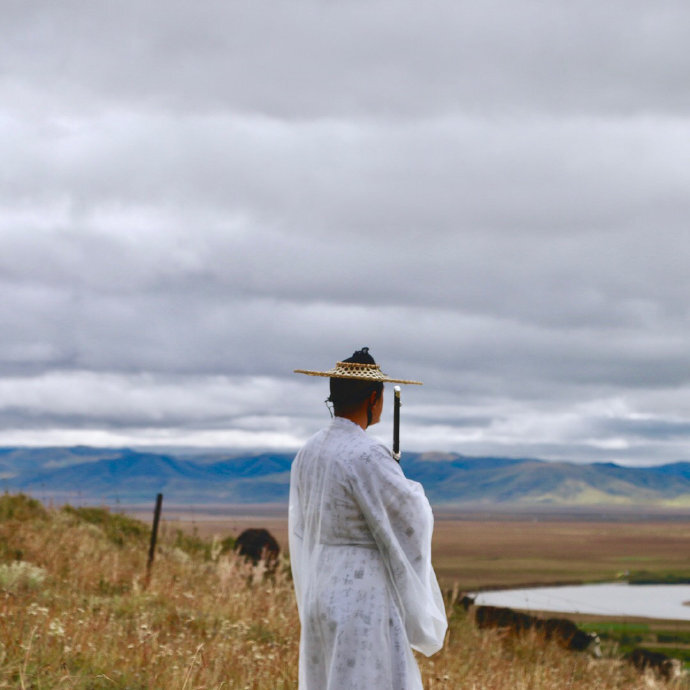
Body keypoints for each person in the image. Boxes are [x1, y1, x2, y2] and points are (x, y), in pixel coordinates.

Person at [290, 347, 447, 689]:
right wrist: (410, 489)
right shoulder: (368, 455)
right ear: (374, 399)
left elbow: (302, 524)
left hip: (320, 587)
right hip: (363, 596)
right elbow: (412, 521)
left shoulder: (309, 451)